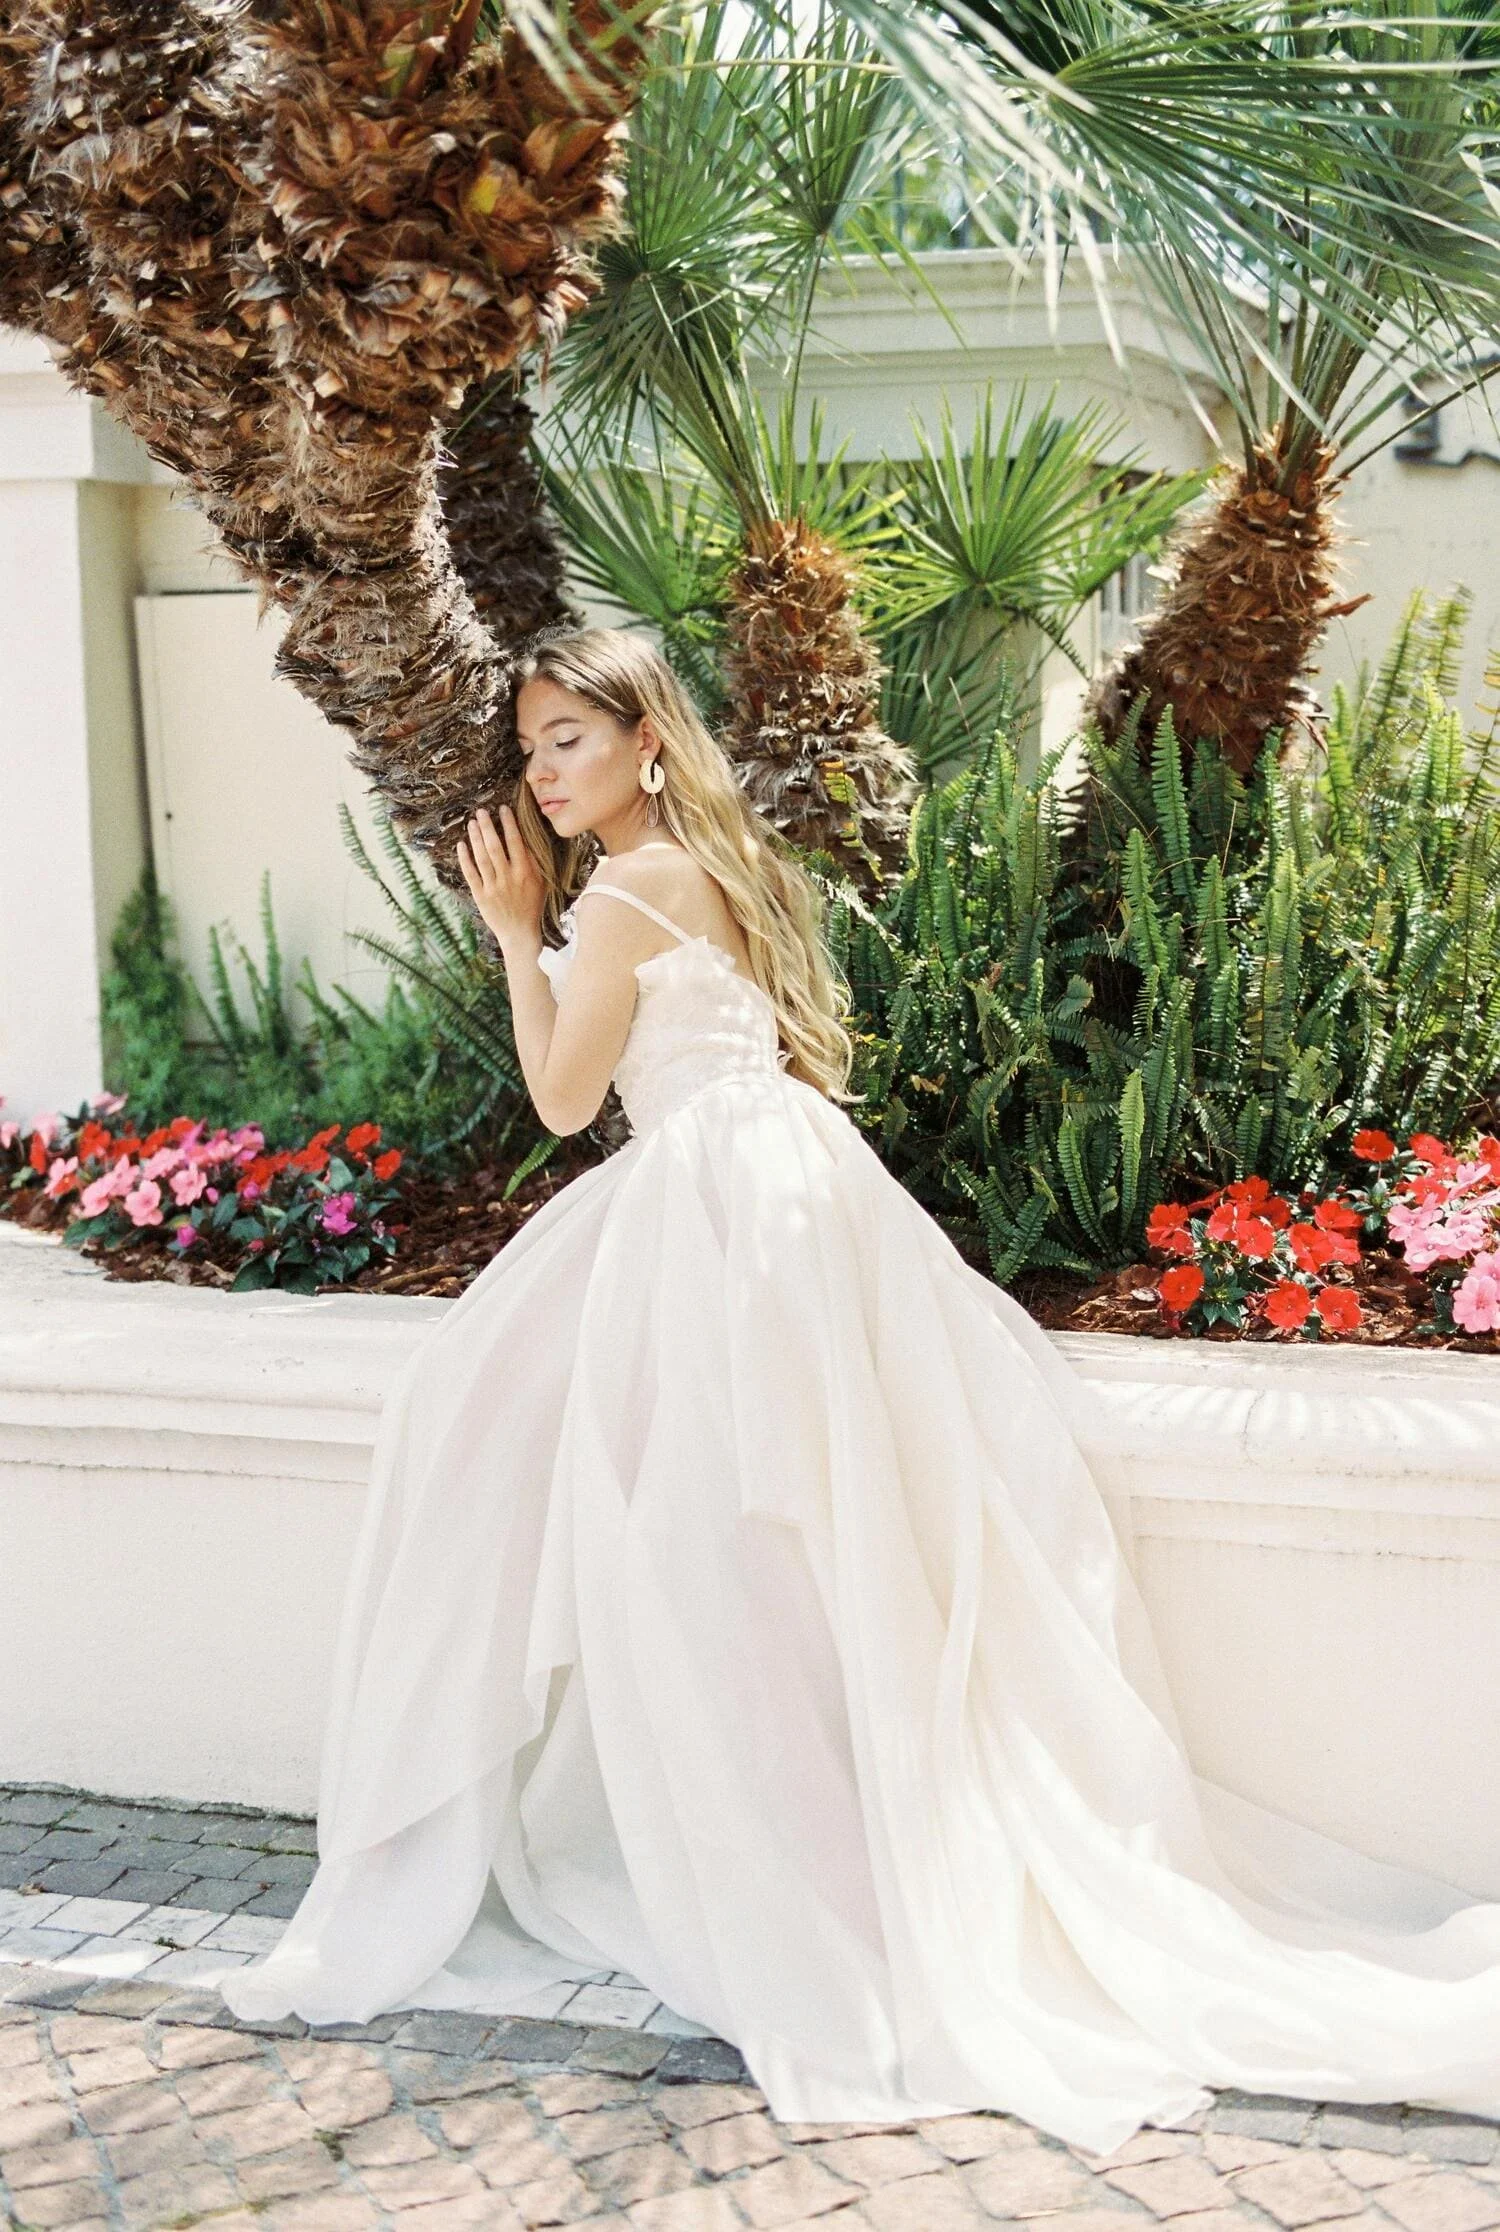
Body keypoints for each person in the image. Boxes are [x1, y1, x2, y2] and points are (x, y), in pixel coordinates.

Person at [220, 624, 1500, 2154]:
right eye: (533, 745)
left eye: (568, 738)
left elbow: (566, 1101)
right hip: (781, 1198)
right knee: (789, 1552)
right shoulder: (722, 864)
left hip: (708, 1213)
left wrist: (512, 931)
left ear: (645, 737)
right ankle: (838, 1861)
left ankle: (800, 1892)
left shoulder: (631, 888)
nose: (542, 773)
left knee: (696, 1544)